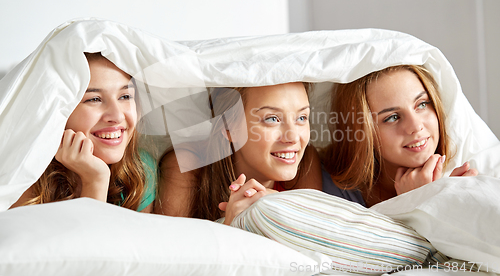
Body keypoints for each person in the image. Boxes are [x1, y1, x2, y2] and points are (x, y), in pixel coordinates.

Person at [154, 83, 326, 224]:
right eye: (272, 119)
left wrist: (280, 208)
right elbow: (171, 258)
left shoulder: (306, 161)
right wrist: (231, 228)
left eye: (302, 118)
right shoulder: (188, 165)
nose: (293, 137)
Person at [10, 53, 156, 212]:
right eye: (94, 99)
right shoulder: (24, 175)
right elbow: (89, 237)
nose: (117, 116)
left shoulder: (140, 168)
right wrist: (95, 181)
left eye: (125, 96)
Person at [322, 65, 478, 207]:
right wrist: (414, 202)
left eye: (422, 104)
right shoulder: (328, 190)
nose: (416, 126)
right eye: (392, 117)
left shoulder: (465, 177)